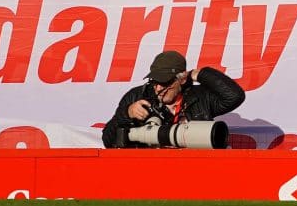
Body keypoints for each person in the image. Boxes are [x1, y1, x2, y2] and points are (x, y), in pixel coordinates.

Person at [101, 48, 245, 147]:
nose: (158, 88)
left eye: (164, 82)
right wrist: (127, 114)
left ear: (181, 79)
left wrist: (198, 74)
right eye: (154, 82)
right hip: (148, 169)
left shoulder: (200, 97)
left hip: (193, 167)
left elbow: (235, 96)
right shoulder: (138, 96)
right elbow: (108, 140)